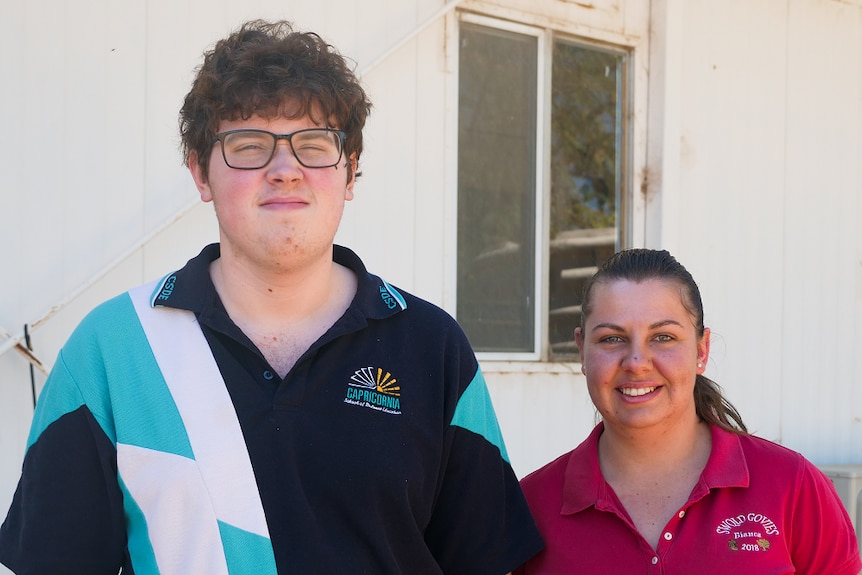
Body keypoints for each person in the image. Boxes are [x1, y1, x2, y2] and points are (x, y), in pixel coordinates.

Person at [0, 20, 543, 574]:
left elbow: (483, 562)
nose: (285, 171)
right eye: (249, 146)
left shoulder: (433, 347)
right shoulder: (112, 349)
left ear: (350, 171)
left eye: (313, 145)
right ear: (199, 172)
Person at [515, 248, 861, 574]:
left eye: (663, 337)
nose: (636, 362)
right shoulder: (530, 506)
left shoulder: (793, 486)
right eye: (611, 338)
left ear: (702, 349)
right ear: (581, 351)